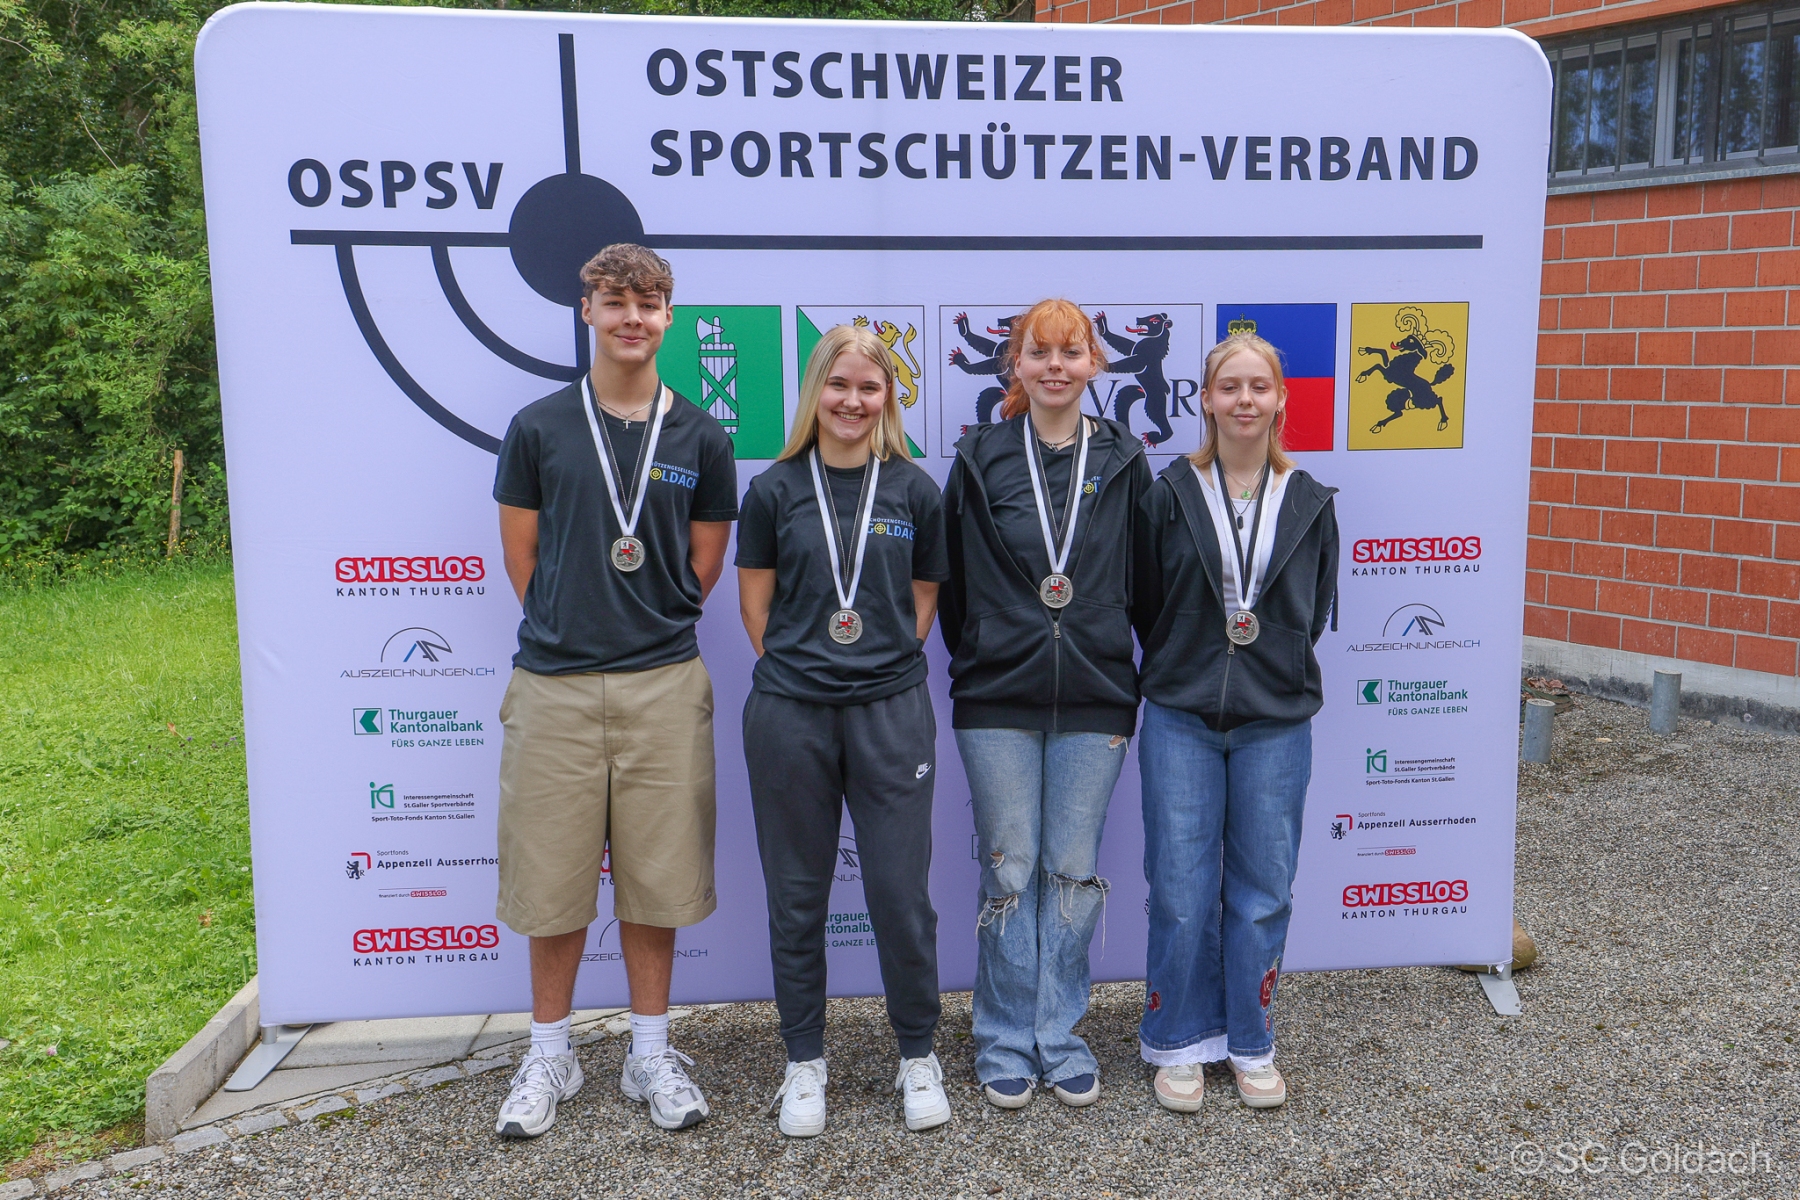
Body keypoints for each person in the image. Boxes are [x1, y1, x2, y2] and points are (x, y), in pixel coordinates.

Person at [490, 244, 738, 1137]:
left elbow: (704, 562)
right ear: (587, 310)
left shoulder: (702, 435)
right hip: (553, 685)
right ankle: (549, 1054)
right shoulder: (538, 427)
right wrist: (576, 622)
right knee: (551, 881)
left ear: (669, 316)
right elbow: (522, 557)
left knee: (656, 881)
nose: (634, 316)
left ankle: (649, 1053)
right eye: (616, 300)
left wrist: (641, 622)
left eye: (650, 301)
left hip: (664, 681)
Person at [736, 324, 952, 1138]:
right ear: (814, 392)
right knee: (797, 897)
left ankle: (917, 1054)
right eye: (839, 384)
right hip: (790, 713)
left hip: (891, 711)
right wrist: (810, 669)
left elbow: (923, 598)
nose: (853, 401)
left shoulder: (915, 490)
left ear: (888, 396)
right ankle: (804, 1061)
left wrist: (876, 664)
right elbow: (755, 607)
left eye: (869, 387)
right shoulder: (774, 490)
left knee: (900, 896)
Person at [940, 299, 1152, 1110]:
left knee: (1071, 870)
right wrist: (989, 644)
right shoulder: (981, 456)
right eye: (1039, 352)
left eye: (1071, 352)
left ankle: (1059, 1036)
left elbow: (1146, 582)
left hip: (1097, 694)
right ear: (1016, 365)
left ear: (1095, 363)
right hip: (996, 694)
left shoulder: (1125, 459)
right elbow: (954, 585)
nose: (1055, 366)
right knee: (1009, 868)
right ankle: (1001, 1037)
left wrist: (1106, 651)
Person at [1130, 330, 1339, 1114]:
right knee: (1181, 890)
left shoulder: (1309, 501)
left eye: (1258, 386)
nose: (1244, 400)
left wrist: (1264, 667)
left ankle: (1251, 1039)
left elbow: (1311, 611)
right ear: (1207, 400)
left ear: (1280, 399)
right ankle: (1179, 1041)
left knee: (1263, 890)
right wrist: (1190, 662)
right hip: (1181, 715)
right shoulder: (1168, 493)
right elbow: (1146, 601)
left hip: (1275, 723)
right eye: (1230, 387)